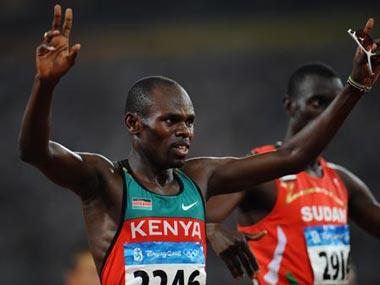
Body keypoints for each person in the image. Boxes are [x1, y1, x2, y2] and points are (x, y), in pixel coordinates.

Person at [18, 4, 379, 285]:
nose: (185, 131)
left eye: (189, 122)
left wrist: (356, 86)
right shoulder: (106, 181)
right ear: (133, 124)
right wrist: (45, 84)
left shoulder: (201, 176)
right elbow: (35, 152)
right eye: (170, 120)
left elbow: (293, 157)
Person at [206, 62, 380, 285]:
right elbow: (194, 221)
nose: (330, 113)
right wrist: (211, 229)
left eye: (337, 104)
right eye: (318, 102)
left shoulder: (342, 181)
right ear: (290, 106)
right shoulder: (259, 174)